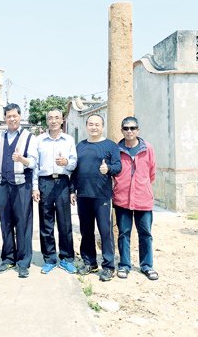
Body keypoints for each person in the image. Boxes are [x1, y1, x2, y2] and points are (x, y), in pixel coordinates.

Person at [70, 114, 121, 282]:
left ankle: (108, 266)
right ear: (86, 126)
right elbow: (75, 171)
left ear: (102, 126)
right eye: (91, 124)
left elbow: (118, 166)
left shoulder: (110, 146)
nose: (94, 127)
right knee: (86, 231)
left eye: (97, 124)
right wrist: (72, 190)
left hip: (102, 196)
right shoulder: (80, 146)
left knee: (105, 232)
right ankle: (89, 262)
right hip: (83, 195)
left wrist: (109, 170)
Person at [0, 103, 38, 278]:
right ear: (4, 118)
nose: (12, 119)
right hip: (2, 185)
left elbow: (34, 163)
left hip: (22, 186)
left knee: (23, 224)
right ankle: (8, 258)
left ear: (20, 117)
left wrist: (22, 159)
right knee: (5, 222)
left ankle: (23, 261)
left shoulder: (29, 137)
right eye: (8, 116)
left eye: (14, 116)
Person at [112, 116, 159, 280]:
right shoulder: (116, 149)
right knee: (124, 233)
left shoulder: (148, 148)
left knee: (145, 233)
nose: (129, 131)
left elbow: (152, 172)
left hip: (143, 199)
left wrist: (143, 186)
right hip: (122, 199)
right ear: (122, 130)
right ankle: (124, 265)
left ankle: (147, 265)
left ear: (138, 130)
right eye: (126, 128)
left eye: (133, 128)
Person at [32, 109, 77, 275]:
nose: (53, 121)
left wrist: (66, 162)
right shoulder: (39, 140)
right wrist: (35, 187)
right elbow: (34, 166)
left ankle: (66, 258)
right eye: (50, 118)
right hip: (45, 182)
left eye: (56, 117)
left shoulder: (69, 140)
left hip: (63, 182)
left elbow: (74, 163)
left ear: (62, 120)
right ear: (46, 121)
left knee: (65, 223)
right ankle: (49, 258)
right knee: (46, 223)